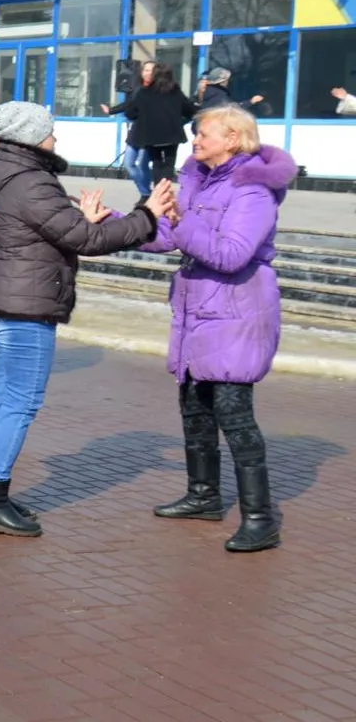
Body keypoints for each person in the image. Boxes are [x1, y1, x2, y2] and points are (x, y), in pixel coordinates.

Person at [0, 101, 173, 538]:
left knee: (3, 397)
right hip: (24, 305)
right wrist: (147, 216)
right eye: (49, 131)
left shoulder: (1, 171)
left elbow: (42, 231)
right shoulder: (32, 181)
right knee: (18, 402)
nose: (55, 138)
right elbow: (87, 240)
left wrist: (80, 220)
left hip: (0, 297)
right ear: (30, 136)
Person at [142, 105, 291, 553]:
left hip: (237, 309)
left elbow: (231, 255)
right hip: (197, 308)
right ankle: (203, 495)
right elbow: (168, 237)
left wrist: (179, 220)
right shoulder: (196, 179)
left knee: (234, 414)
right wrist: (117, 222)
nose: (194, 141)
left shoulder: (253, 190)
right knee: (194, 406)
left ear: (233, 138)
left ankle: (260, 519)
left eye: (203, 133)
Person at [129, 68, 198, 184]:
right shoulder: (175, 92)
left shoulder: (144, 92)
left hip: (151, 134)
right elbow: (189, 110)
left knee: (157, 162)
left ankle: (158, 190)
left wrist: (141, 117)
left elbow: (130, 112)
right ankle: (165, 188)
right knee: (169, 163)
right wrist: (181, 119)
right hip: (172, 133)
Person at [104, 60, 160, 197]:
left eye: (151, 70)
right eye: (146, 70)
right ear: (141, 73)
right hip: (136, 130)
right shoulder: (137, 88)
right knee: (129, 164)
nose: (148, 73)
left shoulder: (159, 90)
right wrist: (111, 110)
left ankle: (145, 195)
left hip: (149, 132)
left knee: (142, 164)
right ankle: (146, 192)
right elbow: (128, 104)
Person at [196, 67, 266, 113]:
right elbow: (233, 109)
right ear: (223, 81)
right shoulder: (219, 96)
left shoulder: (206, 93)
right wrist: (251, 101)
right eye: (227, 80)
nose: (229, 82)